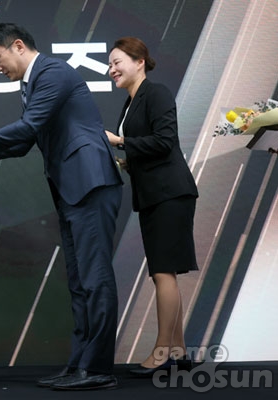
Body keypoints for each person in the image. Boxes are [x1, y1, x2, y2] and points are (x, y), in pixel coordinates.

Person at [0, 22, 123, 391]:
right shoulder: (33, 83)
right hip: (72, 187)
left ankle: (98, 367)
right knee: (79, 281)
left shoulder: (52, 72)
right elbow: (26, 140)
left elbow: (29, 127)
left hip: (89, 181)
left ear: (19, 46)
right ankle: (80, 364)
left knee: (94, 277)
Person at [105, 37, 198, 376]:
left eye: (117, 62)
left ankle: (162, 353)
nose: (111, 69)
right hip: (154, 193)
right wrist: (128, 161)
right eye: (110, 64)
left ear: (139, 61)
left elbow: (164, 140)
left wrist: (120, 141)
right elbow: (148, 148)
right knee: (165, 272)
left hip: (169, 193)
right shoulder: (131, 101)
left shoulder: (155, 93)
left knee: (162, 272)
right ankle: (179, 351)